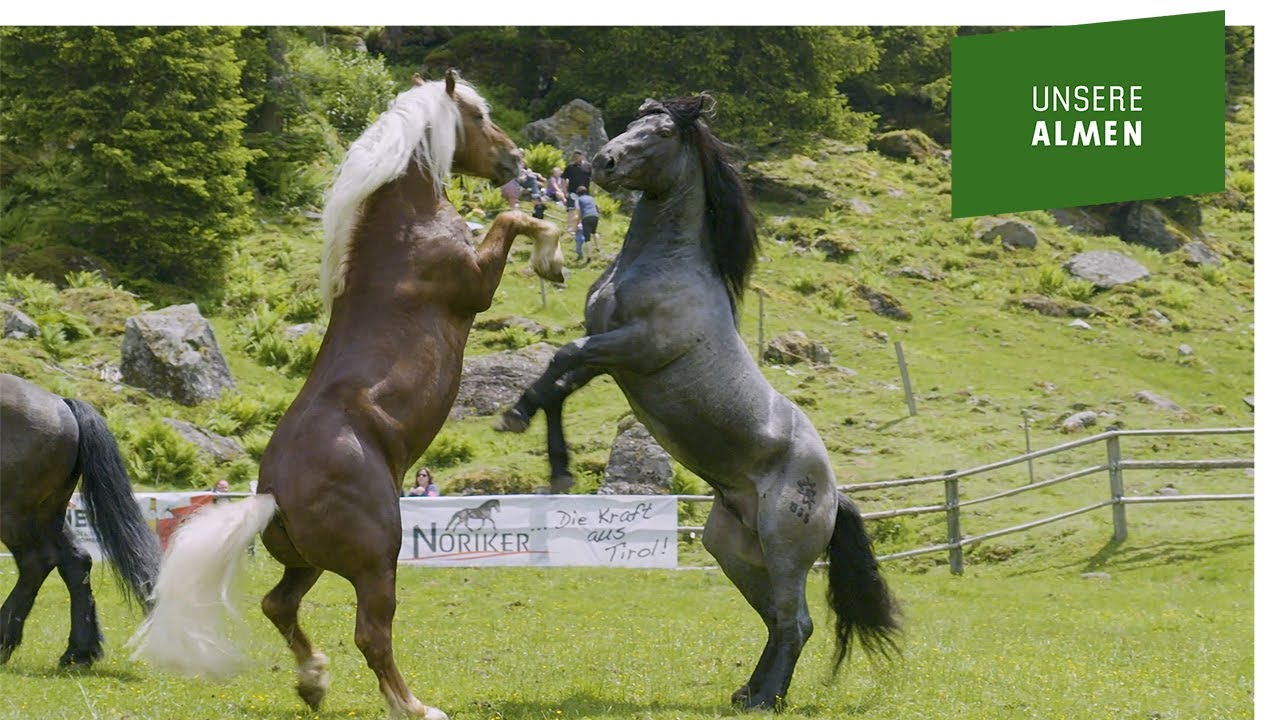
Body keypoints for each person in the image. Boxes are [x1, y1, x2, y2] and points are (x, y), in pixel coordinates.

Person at [563, 150, 592, 238]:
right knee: (571, 209)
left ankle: (577, 228)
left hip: (584, 193)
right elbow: (564, 178)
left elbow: (593, 178)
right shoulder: (570, 167)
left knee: (581, 211)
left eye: (578, 156)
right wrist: (564, 191)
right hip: (572, 191)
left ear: (582, 156)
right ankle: (570, 228)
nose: (576, 158)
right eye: (574, 157)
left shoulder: (588, 166)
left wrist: (594, 190)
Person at [574, 185, 600, 261]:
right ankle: (598, 247)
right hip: (595, 215)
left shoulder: (578, 200)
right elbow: (596, 206)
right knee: (594, 232)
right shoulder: (591, 198)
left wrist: (577, 223)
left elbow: (578, 212)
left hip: (586, 217)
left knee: (587, 238)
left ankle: (589, 257)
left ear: (578, 193)